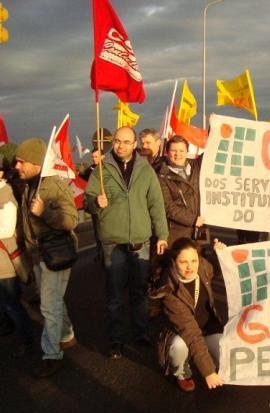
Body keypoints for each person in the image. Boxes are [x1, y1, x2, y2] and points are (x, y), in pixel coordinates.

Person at [85, 126, 169, 359]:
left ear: (134, 145)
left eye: (126, 142)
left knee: (139, 292)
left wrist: (162, 234)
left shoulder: (146, 170)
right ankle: (116, 339)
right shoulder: (102, 170)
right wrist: (95, 202)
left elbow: (156, 204)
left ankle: (141, 332)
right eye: (118, 141)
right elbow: (87, 201)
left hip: (140, 242)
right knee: (114, 295)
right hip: (113, 242)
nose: (121, 146)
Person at [15, 138, 79, 377]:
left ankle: (52, 355)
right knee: (53, 301)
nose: (17, 166)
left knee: (48, 306)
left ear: (35, 162)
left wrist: (45, 212)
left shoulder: (53, 185)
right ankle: (67, 335)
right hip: (39, 255)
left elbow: (71, 220)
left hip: (55, 253)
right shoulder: (30, 185)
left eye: (21, 162)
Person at [149, 237, 225, 392]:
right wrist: (208, 372)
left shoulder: (203, 266)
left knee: (226, 359)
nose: (190, 267)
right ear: (174, 262)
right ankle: (183, 373)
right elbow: (190, 331)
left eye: (194, 261)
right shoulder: (169, 289)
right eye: (183, 262)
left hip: (207, 329)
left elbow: (216, 268)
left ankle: (201, 357)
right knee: (179, 347)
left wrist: (220, 253)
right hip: (180, 333)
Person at [0, 154, 33, 354]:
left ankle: (27, 340)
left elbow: (5, 229)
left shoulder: (6, 195)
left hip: (6, 264)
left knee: (12, 304)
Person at [157, 135, 206, 247]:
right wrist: (193, 220)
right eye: (173, 150)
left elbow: (213, 150)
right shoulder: (161, 176)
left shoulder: (197, 166)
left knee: (201, 263)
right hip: (178, 233)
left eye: (181, 150)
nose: (177, 154)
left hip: (201, 232)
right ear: (167, 152)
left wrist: (215, 128)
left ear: (187, 151)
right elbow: (168, 207)